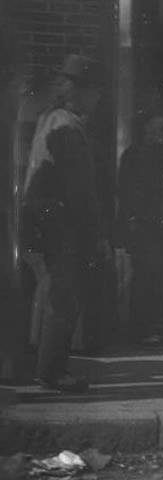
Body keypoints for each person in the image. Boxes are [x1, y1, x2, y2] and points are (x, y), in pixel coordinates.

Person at [21, 54, 105, 393]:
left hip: (42, 218)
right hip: (61, 221)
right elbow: (80, 190)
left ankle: (47, 367)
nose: (98, 99)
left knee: (53, 292)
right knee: (64, 296)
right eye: (95, 92)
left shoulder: (49, 118)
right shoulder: (69, 127)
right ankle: (53, 372)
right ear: (80, 91)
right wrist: (96, 234)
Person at [115, 113, 163, 345]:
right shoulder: (135, 156)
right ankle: (142, 328)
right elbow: (125, 192)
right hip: (146, 228)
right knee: (147, 279)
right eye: (161, 132)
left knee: (159, 279)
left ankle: (153, 325)